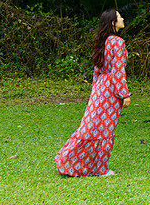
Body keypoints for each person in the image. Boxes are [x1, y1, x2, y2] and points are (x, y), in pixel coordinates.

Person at [55, 9, 132, 177]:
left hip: (99, 89)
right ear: (113, 23)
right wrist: (124, 94)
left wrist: (95, 92)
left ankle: (68, 160)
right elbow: (118, 71)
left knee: (90, 128)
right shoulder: (117, 42)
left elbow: (96, 70)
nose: (123, 18)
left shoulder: (102, 41)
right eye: (119, 17)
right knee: (105, 130)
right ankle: (100, 169)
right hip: (111, 90)